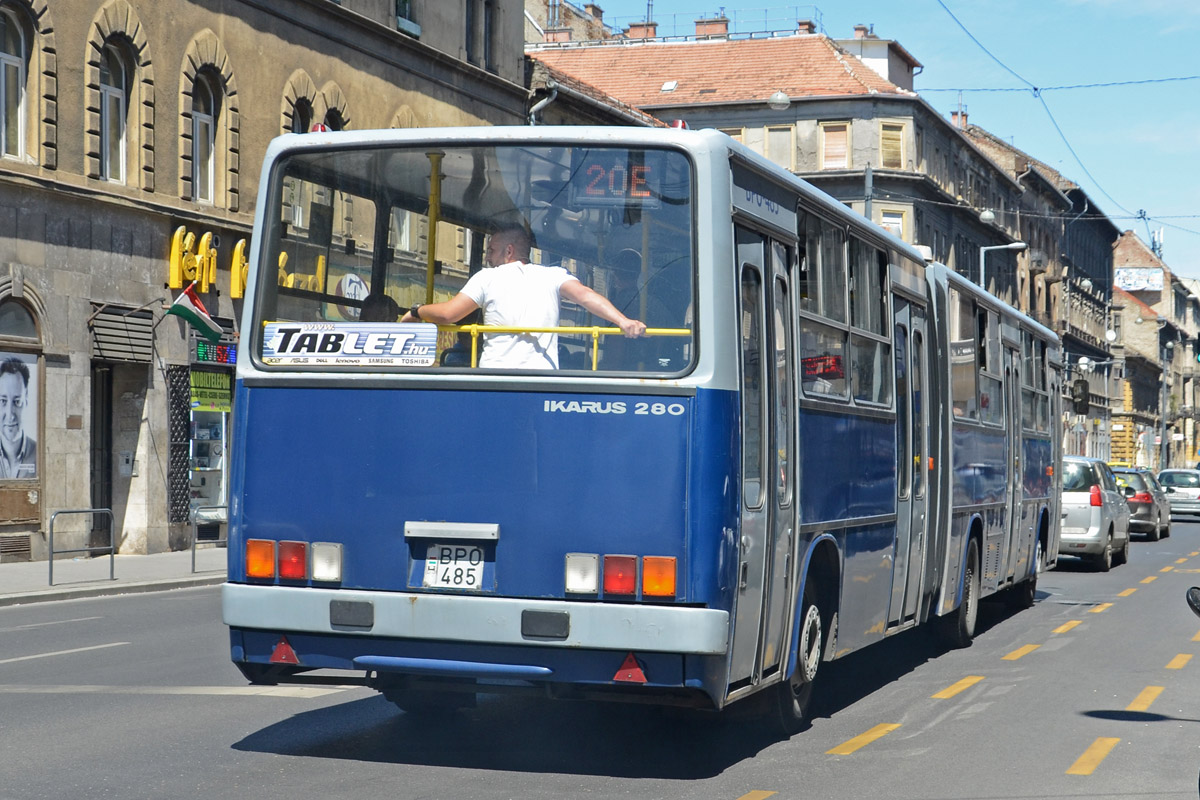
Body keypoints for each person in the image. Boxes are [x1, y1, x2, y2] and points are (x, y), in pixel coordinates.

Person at [400, 226, 646, 369]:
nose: (487, 257)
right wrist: (623, 321)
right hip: (542, 379)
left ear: (509, 251)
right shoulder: (553, 275)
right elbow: (587, 297)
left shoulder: (488, 277)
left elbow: (448, 314)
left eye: (491, 251)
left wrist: (416, 311)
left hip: (497, 376)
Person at [0, 357, 35, 479]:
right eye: (3, 401)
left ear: (26, 399)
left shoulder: (39, 454)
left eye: (17, 401)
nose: (10, 415)